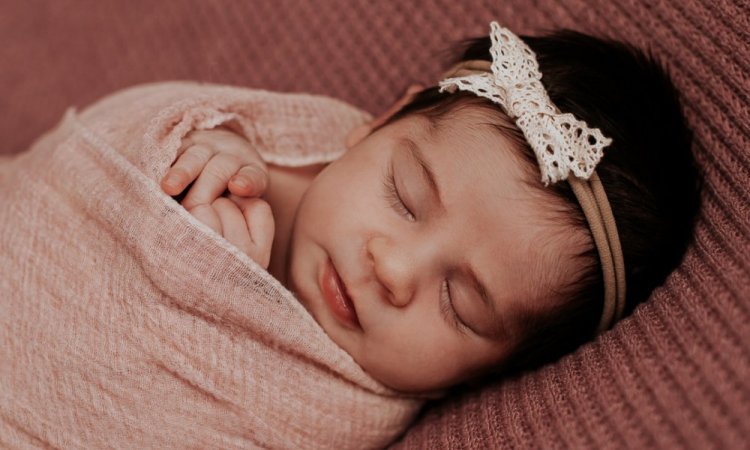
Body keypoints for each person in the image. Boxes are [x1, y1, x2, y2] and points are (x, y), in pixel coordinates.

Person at [160, 22, 701, 393]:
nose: (393, 270)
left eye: (460, 304)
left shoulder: (337, 409)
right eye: (405, 195)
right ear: (381, 120)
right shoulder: (257, 161)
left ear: (488, 375)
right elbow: (125, 142)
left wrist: (223, 303)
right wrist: (203, 145)